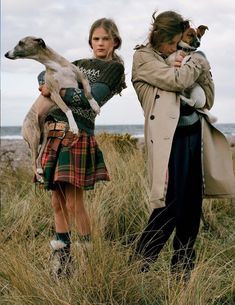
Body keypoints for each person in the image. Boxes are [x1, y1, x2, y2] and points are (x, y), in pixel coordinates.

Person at [131, 10, 235, 280]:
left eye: (180, 41)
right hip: (169, 141)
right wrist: (198, 61)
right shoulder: (143, 58)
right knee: (168, 206)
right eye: (174, 41)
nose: (177, 46)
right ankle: (136, 268)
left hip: (195, 136)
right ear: (161, 36)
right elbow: (178, 80)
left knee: (191, 209)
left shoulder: (185, 55)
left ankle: (181, 278)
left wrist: (195, 62)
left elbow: (208, 99)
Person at [37, 18, 126, 277]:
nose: (100, 43)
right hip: (54, 133)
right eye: (96, 39)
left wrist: (55, 90)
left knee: (75, 204)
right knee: (56, 202)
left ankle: (88, 263)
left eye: (105, 39)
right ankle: (62, 263)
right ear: (90, 42)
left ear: (114, 42)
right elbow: (45, 71)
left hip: (78, 135)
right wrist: (46, 82)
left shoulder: (113, 69)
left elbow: (91, 99)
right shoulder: (78, 65)